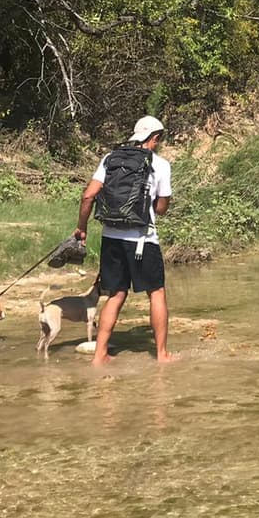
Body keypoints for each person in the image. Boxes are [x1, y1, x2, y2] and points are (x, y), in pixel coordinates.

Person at [74, 115, 175, 364]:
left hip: (111, 238)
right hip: (143, 239)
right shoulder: (160, 164)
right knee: (156, 293)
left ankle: (100, 355)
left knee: (116, 294)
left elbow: (88, 197)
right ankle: (161, 355)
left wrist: (81, 228)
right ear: (155, 138)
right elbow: (161, 209)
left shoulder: (110, 159)